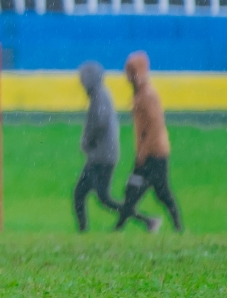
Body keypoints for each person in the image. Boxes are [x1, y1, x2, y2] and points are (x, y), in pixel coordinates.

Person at [73, 61, 156, 232]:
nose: (81, 82)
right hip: (103, 155)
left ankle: (147, 221)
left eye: (83, 78)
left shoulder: (99, 96)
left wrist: (87, 141)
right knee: (93, 196)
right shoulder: (100, 94)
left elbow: (100, 122)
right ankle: (146, 221)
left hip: (101, 157)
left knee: (89, 195)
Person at [115, 51, 183, 232]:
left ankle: (121, 228)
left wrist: (143, 153)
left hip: (154, 153)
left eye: (130, 71)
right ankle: (173, 226)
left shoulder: (148, 95)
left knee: (146, 192)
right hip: (147, 153)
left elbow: (154, 127)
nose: (127, 76)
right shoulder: (139, 94)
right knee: (138, 192)